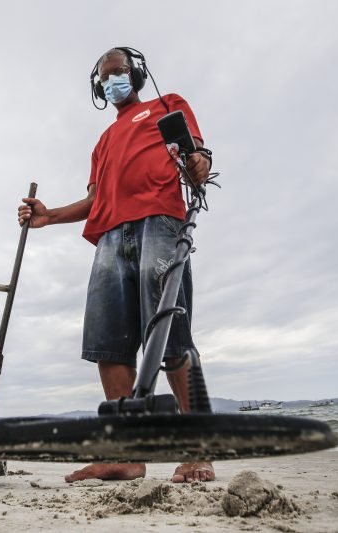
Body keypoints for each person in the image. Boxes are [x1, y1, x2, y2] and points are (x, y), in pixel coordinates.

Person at [17, 47, 214, 483]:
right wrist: (49, 217)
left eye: (119, 73)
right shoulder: (103, 143)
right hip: (109, 237)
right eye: (105, 79)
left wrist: (198, 162)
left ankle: (199, 449)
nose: (112, 82)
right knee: (108, 342)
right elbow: (94, 200)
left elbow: (196, 154)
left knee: (170, 330)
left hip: (160, 222)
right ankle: (126, 455)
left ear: (137, 74)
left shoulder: (168, 104)